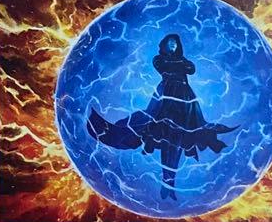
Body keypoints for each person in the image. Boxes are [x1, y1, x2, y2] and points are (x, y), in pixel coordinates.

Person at [86, 33, 237, 199]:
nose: (173, 45)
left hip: (185, 98)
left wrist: (179, 63)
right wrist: (179, 64)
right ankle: (167, 181)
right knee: (164, 133)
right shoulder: (159, 59)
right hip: (166, 95)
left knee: (179, 136)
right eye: (170, 43)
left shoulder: (181, 60)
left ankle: (169, 184)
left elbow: (191, 69)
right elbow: (166, 68)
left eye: (175, 43)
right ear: (164, 45)